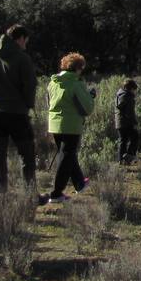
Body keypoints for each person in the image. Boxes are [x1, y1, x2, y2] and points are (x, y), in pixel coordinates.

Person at [0, 24, 39, 194]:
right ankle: (30, 195)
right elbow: (30, 85)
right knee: (27, 155)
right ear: (21, 38)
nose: (26, 44)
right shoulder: (22, 58)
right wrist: (28, 104)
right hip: (17, 114)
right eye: (26, 41)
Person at [45, 52, 95, 203]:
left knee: (67, 154)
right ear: (78, 68)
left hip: (54, 123)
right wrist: (90, 96)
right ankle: (56, 193)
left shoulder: (53, 82)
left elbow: (49, 101)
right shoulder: (76, 83)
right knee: (66, 156)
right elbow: (87, 108)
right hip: (71, 124)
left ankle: (79, 182)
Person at [114, 78, 139, 164]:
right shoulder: (129, 97)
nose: (134, 91)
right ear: (131, 88)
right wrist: (134, 123)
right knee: (135, 137)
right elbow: (130, 112)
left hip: (119, 122)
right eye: (134, 89)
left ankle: (121, 160)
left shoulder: (120, 94)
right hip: (127, 122)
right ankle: (129, 156)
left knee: (123, 141)